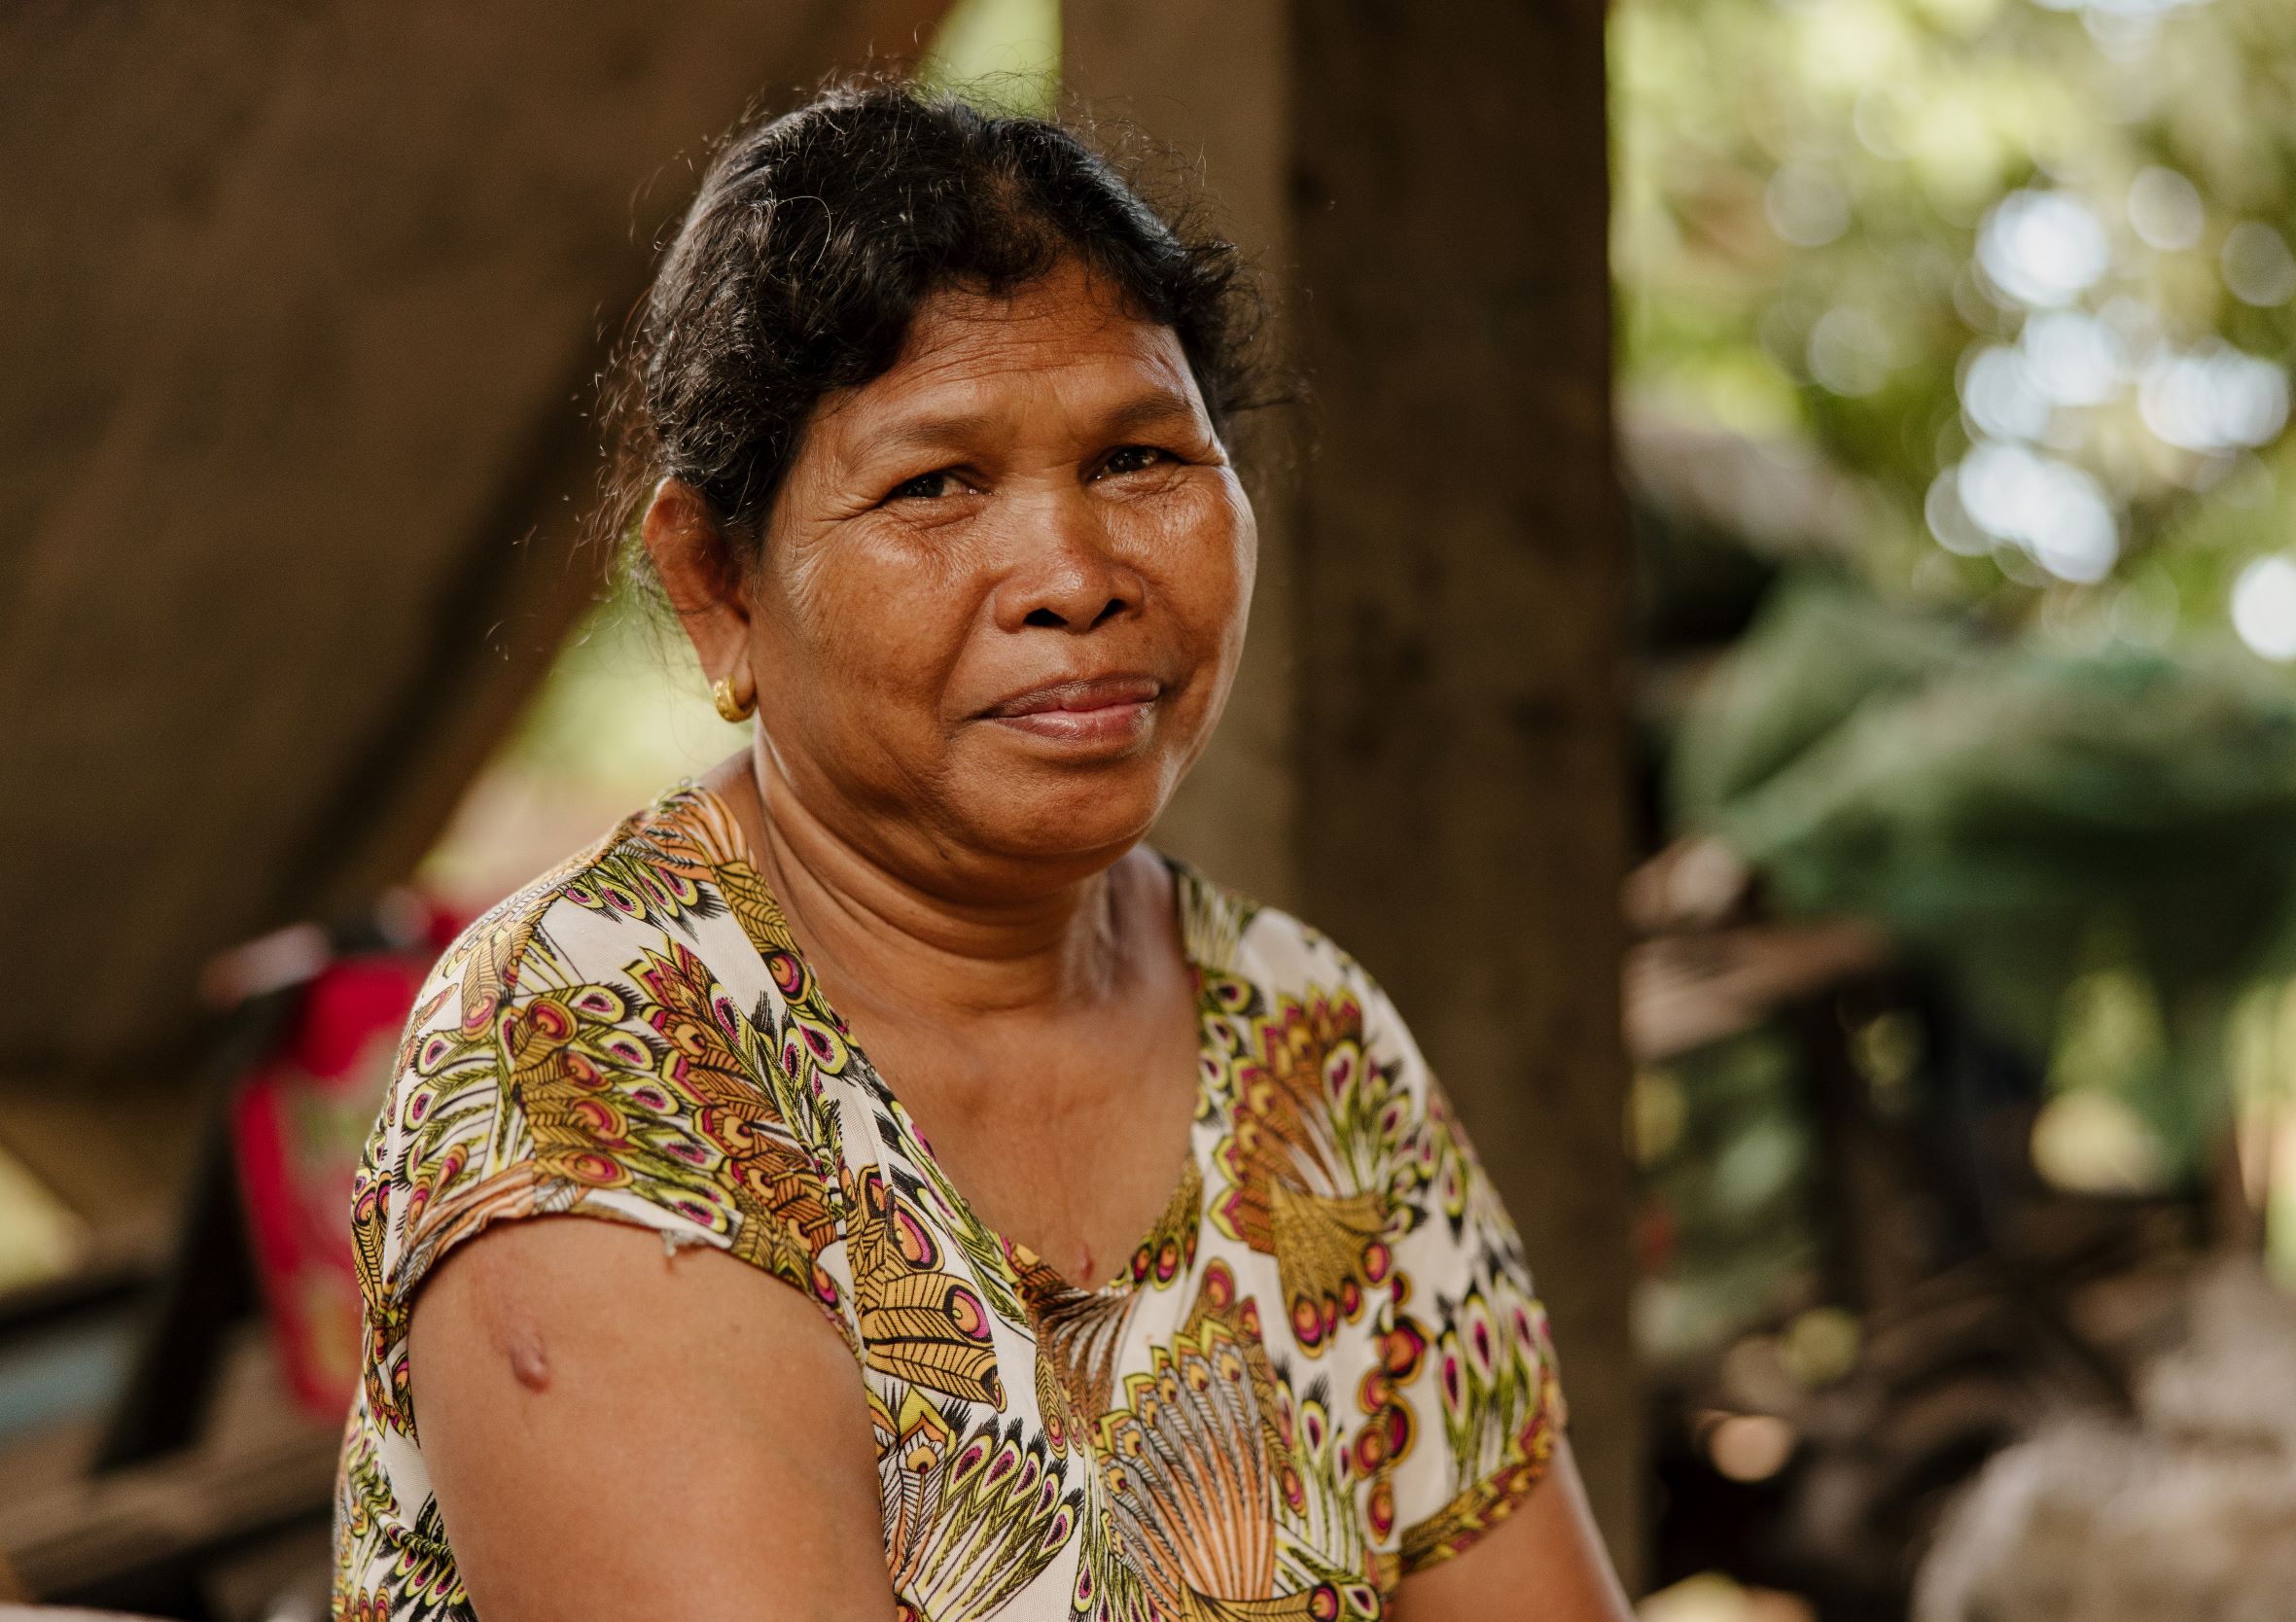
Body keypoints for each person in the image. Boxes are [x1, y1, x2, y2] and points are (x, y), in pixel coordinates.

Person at [334, 79, 1633, 1622]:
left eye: (1142, 459)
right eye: (935, 485)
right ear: (717, 588)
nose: (1074, 577)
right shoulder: (600, 1052)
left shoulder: (1307, 1041)